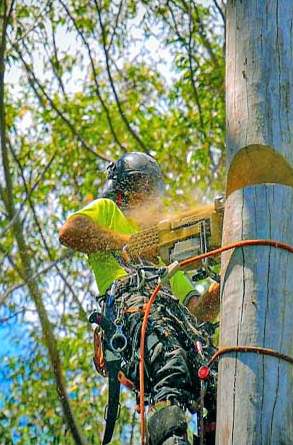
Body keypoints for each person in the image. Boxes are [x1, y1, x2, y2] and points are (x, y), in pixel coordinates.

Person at [59, 152, 219, 445]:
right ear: (124, 188)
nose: (148, 195)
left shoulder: (163, 249)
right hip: (132, 309)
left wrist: (225, 281)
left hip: (172, 318)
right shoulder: (109, 212)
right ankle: (170, 437)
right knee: (170, 361)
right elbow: (70, 231)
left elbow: (196, 311)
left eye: (152, 189)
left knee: (217, 374)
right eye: (142, 186)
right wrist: (129, 244)